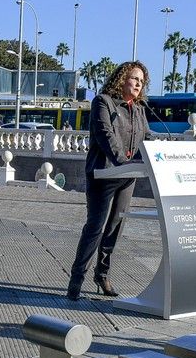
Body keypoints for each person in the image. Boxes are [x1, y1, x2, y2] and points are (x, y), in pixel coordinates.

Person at [65, 61, 152, 301]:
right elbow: (105, 135)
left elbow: (147, 137)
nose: (138, 84)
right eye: (134, 78)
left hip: (128, 177)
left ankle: (102, 274)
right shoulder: (103, 102)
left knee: (115, 228)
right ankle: (76, 278)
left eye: (141, 82)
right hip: (103, 174)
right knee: (95, 227)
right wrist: (121, 160)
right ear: (122, 78)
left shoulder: (140, 109)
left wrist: (162, 151)